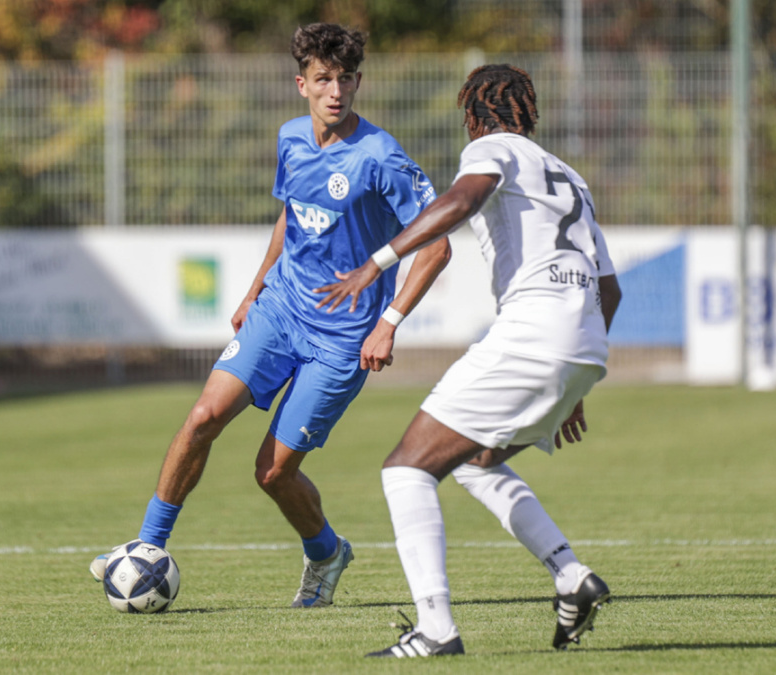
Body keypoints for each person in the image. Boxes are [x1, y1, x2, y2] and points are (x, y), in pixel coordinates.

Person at [90, 23, 451, 609]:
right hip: (280, 311)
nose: (336, 91)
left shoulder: (380, 157)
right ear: (301, 84)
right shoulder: (289, 139)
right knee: (204, 415)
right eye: (323, 79)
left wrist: (389, 321)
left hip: (341, 338)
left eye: (346, 79)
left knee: (271, 473)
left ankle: (327, 553)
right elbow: (291, 214)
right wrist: (254, 289)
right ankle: (146, 547)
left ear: (358, 82)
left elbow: (436, 245)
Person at [315, 64, 623, 657]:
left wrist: (377, 262)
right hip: (583, 343)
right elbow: (610, 291)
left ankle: (436, 630)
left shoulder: (490, 150)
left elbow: (462, 201)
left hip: (530, 333)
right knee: (477, 461)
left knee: (406, 469)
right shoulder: (569, 175)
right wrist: (575, 384)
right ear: (526, 110)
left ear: (474, 113)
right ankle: (570, 575)